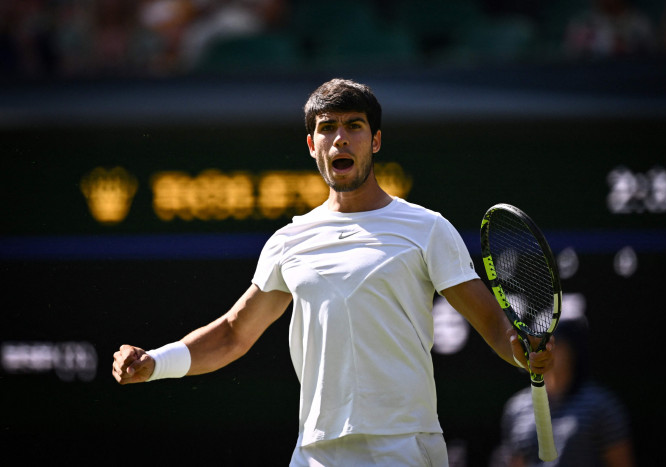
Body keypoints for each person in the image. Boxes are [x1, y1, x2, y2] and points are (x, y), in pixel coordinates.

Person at [112, 78, 554, 466]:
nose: (340, 139)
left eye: (354, 126)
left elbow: (495, 325)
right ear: (312, 145)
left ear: (375, 141)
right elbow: (232, 333)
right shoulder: (290, 241)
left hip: (402, 446)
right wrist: (156, 363)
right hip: (316, 450)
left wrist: (522, 351)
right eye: (327, 128)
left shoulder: (427, 229)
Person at [490, 316, 634, 467]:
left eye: (555, 344)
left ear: (572, 351)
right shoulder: (516, 408)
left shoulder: (602, 405)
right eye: (540, 345)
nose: (546, 350)